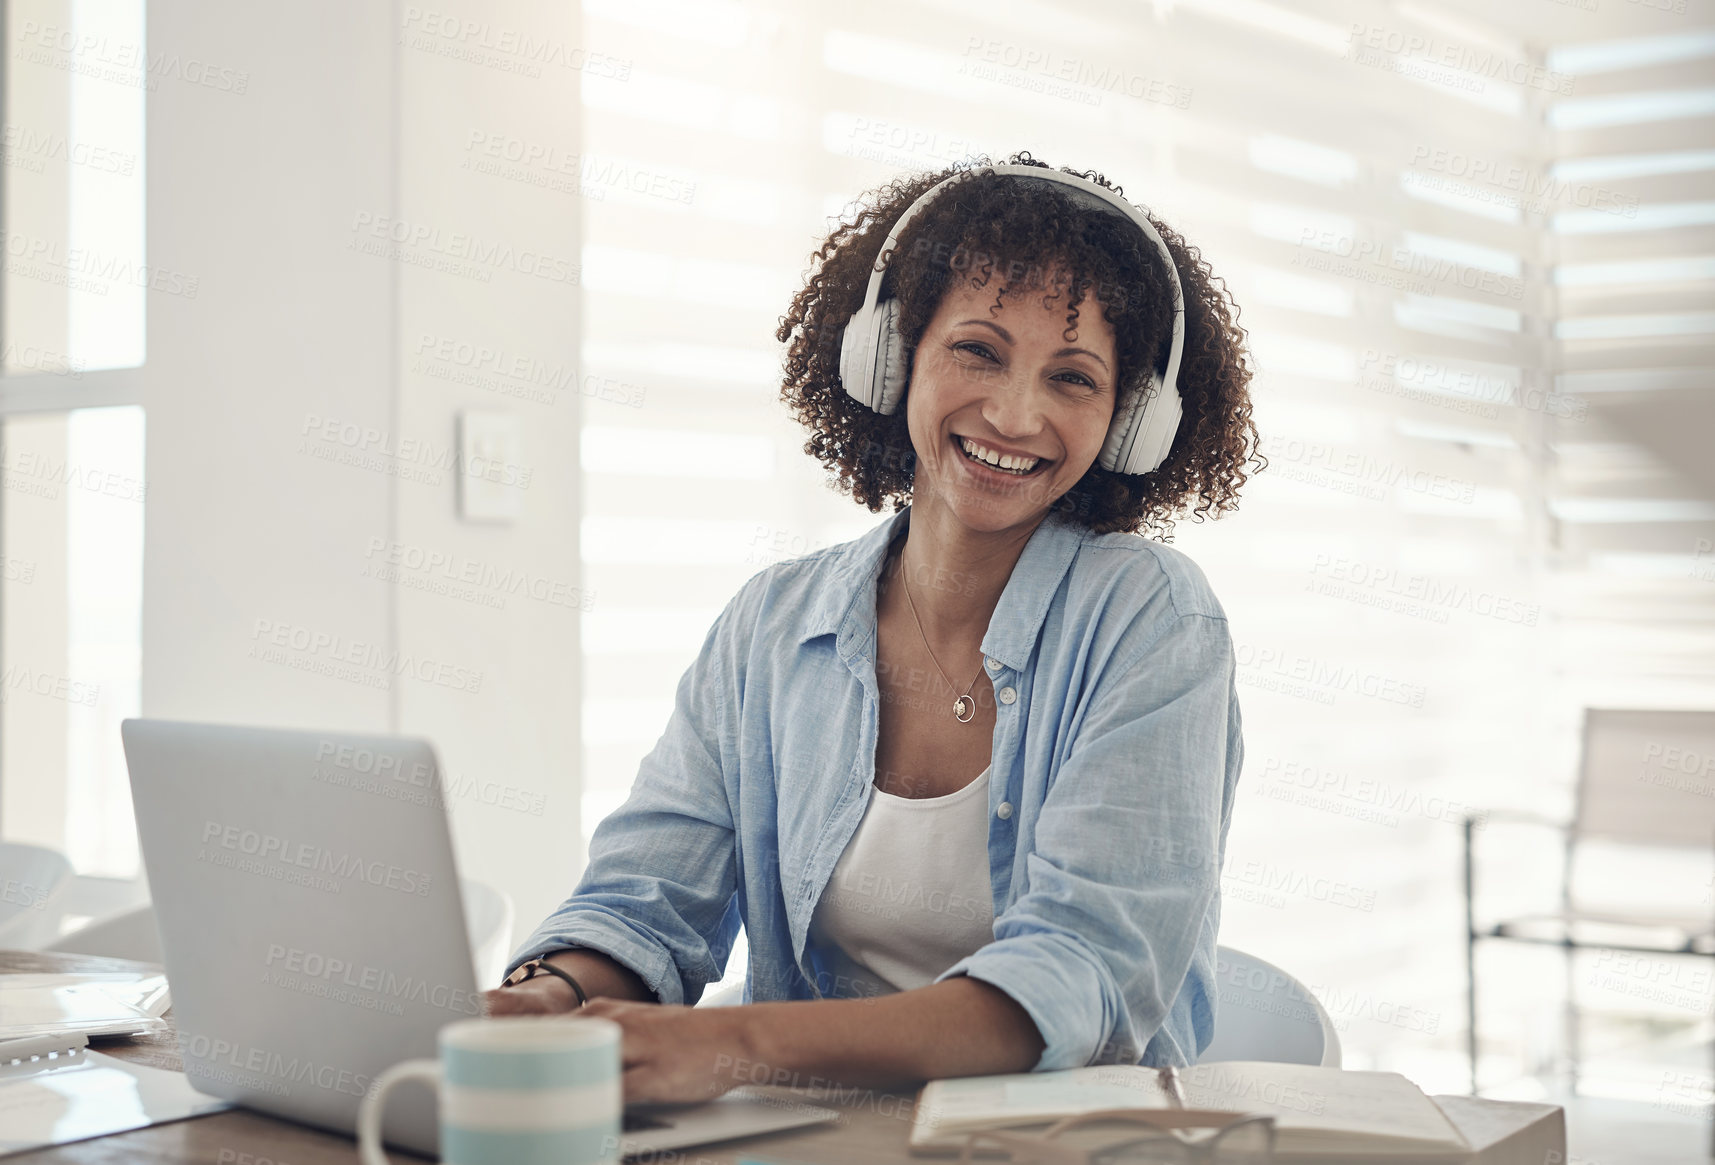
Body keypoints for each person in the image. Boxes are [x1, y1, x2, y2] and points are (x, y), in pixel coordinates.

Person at [488, 152, 1261, 1105]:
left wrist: (728, 1043)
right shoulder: (772, 626)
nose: (1017, 414)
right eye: (977, 351)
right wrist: (547, 991)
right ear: (888, 356)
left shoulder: (1152, 621)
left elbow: (1079, 978)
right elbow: (643, 901)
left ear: (1129, 421)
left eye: (1073, 378)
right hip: (802, 1139)